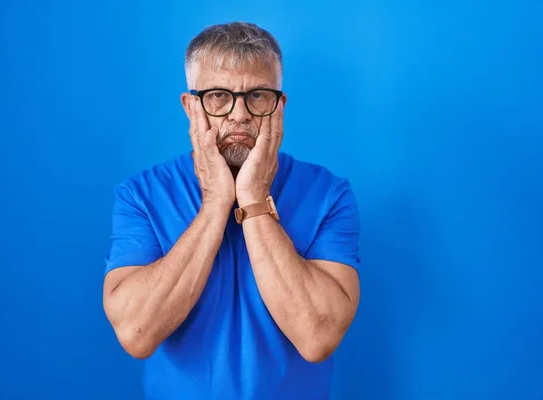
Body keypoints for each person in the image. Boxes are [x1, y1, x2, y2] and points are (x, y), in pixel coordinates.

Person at [102, 21, 361, 400]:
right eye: (218, 96)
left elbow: (317, 337)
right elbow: (136, 334)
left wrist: (254, 198)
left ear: (279, 106)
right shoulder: (140, 195)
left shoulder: (329, 195)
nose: (239, 115)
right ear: (191, 107)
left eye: (257, 96)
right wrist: (215, 204)